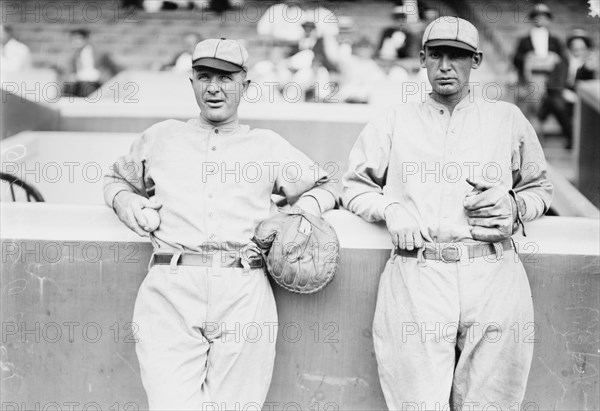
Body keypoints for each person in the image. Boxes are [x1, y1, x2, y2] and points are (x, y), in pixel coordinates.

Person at [103, 38, 337, 410]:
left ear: (245, 85)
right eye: (204, 76)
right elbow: (116, 179)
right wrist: (126, 200)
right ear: (192, 81)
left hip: (244, 288)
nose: (214, 87)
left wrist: (301, 210)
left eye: (226, 78)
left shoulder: (267, 145)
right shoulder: (161, 137)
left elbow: (328, 184)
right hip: (171, 287)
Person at [342, 17, 553, 410]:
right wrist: (390, 208)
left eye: (457, 56)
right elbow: (353, 186)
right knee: (417, 404)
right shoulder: (394, 119)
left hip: (493, 269)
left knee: (492, 404)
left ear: (476, 60)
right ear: (421, 58)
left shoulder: (506, 119)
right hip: (418, 271)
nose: (445, 66)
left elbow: (539, 188)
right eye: (436, 55)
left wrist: (514, 204)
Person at [63, 28, 102, 97]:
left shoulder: (96, 52)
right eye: (73, 39)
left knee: (86, 88)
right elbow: (69, 72)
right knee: (68, 88)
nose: (76, 41)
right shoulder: (74, 55)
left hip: (94, 82)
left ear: (86, 39)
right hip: (79, 82)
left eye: (78, 38)